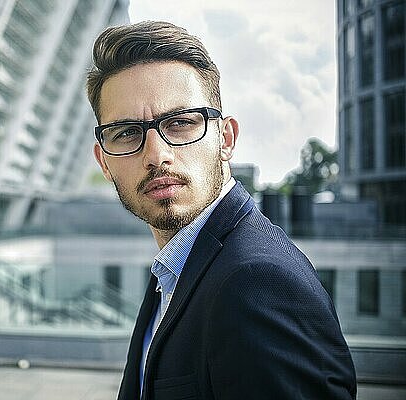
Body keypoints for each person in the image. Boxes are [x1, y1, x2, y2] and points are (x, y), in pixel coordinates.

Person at [86, 21, 356, 400]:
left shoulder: (257, 282)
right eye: (128, 132)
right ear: (104, 160)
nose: (157, 155)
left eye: (180, 123)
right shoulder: (178, 267)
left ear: (225, 139)